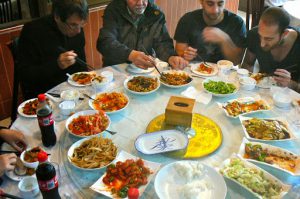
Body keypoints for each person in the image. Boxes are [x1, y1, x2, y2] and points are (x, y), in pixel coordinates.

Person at [18, 0, 89, 99]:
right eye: (73, 25)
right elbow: (26, 76)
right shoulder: (32, 31)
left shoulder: (76, 27)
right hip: (44, 94)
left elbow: (82, 66)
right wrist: (56, 65)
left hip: (74, 91)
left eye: (81, 24)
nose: (78, 31)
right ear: (57, 17)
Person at [97, 0, 188, 70]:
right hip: (117, 69)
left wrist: (170, 56)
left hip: (145, 69)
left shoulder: (155, 12)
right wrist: (130, 55)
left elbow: (162, 42)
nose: (140, 3)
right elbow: (105, 42)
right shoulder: (114, 10)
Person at [242, 7, 300, 92]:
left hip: (290, 98)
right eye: (260, 36)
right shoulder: (254, 34)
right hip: (262, 92)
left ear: (284, 34)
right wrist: (247, 84)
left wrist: (291, 84)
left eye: (268, 39)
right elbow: (248, 63)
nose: (262, 44)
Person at [174, 0, 247, 65]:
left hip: (223, 74)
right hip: (193, 69)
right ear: (201, 1)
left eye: (220, 4)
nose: (215, 10)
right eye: (210, 3)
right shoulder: (187, 20)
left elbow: (236, 61)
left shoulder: (237, 23)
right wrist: (185, 54)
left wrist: (225, 39)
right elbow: (179, 52)